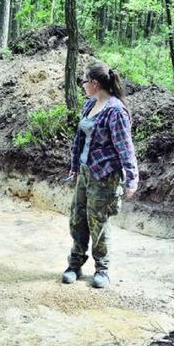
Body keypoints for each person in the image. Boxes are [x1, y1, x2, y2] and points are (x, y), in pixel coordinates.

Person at [62, 62, 138, 289]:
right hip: (85, 172)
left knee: (98, 222)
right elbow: (80, 140)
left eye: (85, 81)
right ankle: (75, 265)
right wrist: (75, 166)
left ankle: (102, 270)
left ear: (94, 83)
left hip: (104, 176)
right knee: (77, 218)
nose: (83, 85)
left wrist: (132, 178)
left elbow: (125, 147)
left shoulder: (115, 111)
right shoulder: (90, 105)